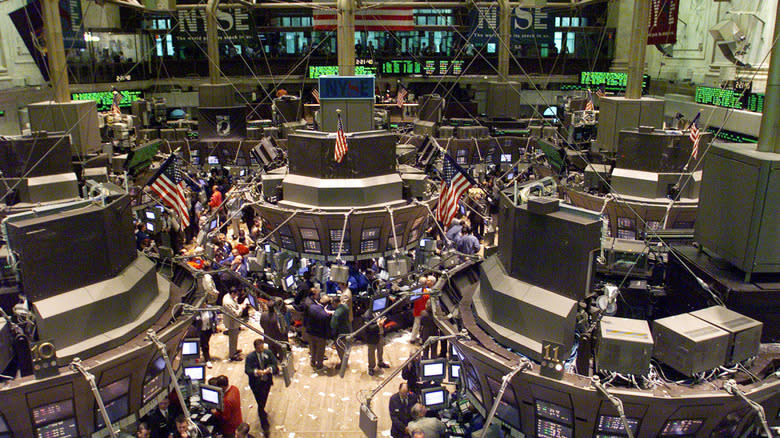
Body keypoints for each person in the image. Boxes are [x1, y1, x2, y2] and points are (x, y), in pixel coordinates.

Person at [245, 339, 278, 435]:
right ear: (255, 348)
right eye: (259, 348)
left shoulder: (268, 353)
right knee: (260, 401)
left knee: (264, 399)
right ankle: (264, 424)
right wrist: (256, 372)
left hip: (267, 381)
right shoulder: (250, 357)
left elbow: (274, 364)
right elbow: (247, 370)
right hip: (256, 383)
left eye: (262, 347)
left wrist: (270, 369)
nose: (261, 350)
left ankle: (261, 410)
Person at [307, 294, 332, 370]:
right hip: (320, 335)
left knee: (312, 349)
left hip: (310, 333)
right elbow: (327, 328)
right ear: (327, 305)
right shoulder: (325, 315)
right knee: (320, 351)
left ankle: (313, 362)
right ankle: (319, 365)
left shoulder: (311, 308)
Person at [223, 289, 246, 361]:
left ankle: (234, 350)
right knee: (232, 338)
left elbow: (235, 305)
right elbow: (236, 313)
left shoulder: (227, 296)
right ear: (232, 293)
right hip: (232, 323)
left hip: (234, 322)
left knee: (235, 337)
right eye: (236, 295)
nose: (236, 296)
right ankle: (232, 355)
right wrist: (242, 307)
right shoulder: (228, 302)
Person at [330, 296, 351, 367]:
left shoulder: (336, 314)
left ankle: (343, 363)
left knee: (340, 349)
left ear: (335, 303)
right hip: (347, 330)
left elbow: (333, 325)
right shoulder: (345, 307)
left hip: (339, 333)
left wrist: (332, 336)